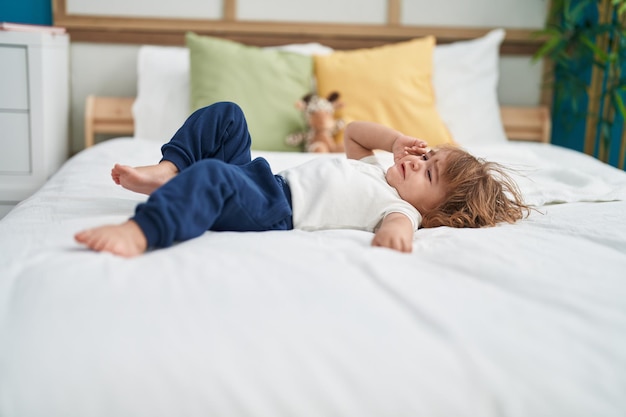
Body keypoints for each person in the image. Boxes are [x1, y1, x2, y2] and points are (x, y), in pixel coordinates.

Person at [74, 101, 529, 257]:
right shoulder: (378, 168)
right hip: (264, 177)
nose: (417, 160)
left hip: (273, 208)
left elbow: (396, 230)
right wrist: (393, 141)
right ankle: (168, 171)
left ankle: (141, 232)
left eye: (428, 172)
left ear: (435, 209)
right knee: (228, 116)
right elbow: (351, 133)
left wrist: (396, 238)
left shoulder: (402, 209)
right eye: (426, 154)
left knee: (213, 175)